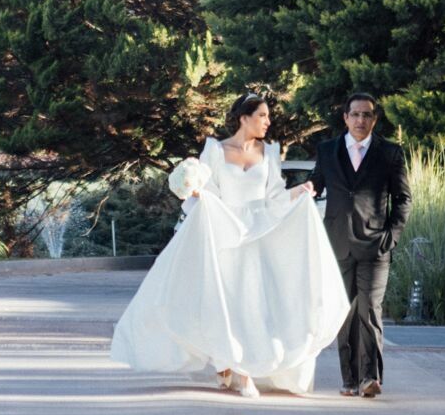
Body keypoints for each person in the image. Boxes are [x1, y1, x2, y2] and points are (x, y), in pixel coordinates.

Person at [109, 88, 347, 397]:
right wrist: (195, 192)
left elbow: (273, 197)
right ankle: (235, 367)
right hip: (224, 232)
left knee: (253, 306)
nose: (267, 121)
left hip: (257, 235)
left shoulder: (270, 152)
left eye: (268, 116)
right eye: (262, 116)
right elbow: (209, 194)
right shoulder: (215, 150)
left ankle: (238, 365)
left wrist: (298, 193)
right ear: (244, 118)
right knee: (226, 304)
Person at [309, 91, 410, 399]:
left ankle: (370, 377)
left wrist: (391, 237)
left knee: (369, 311)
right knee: (344, 313)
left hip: (375, 246)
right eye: (355, 114)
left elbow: (403, 199)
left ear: (374, 119)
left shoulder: (390, 153)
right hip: (337, 244)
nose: (360, 120)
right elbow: (315, 186)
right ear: (345, 118)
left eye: (367, 115)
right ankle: (350, 379)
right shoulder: (327, 150)